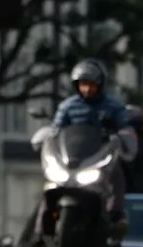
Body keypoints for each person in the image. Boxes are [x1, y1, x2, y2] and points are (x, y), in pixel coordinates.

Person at [52, 59, 135, 234]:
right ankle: (39, 228)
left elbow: (124, 126)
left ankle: (116, 216)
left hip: (101, 157)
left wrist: (123, 136)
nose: (87, 89)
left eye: (91, 84)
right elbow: (56, 130)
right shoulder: (67, 107)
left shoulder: (114, 106)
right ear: (77, 85)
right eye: (83, 84)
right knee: (50, 186)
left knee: (117, 176)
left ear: (100, 84)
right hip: (72, 160)